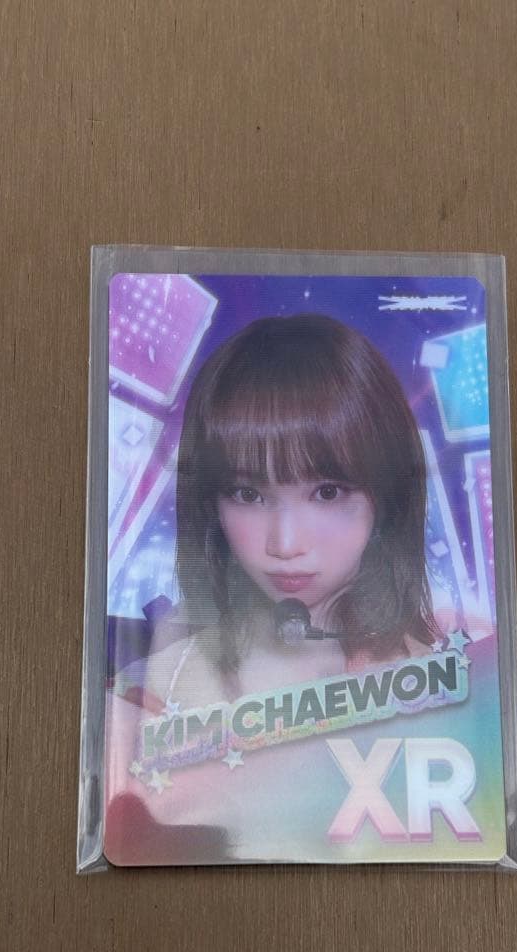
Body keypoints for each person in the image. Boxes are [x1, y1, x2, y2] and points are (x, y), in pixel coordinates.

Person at [104, 314, 441, 862]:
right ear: (210, 503)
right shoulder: (145, 697)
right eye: (248, 494)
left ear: (386, 500)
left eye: (327, 492)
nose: (285, 544)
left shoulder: (449, 687)